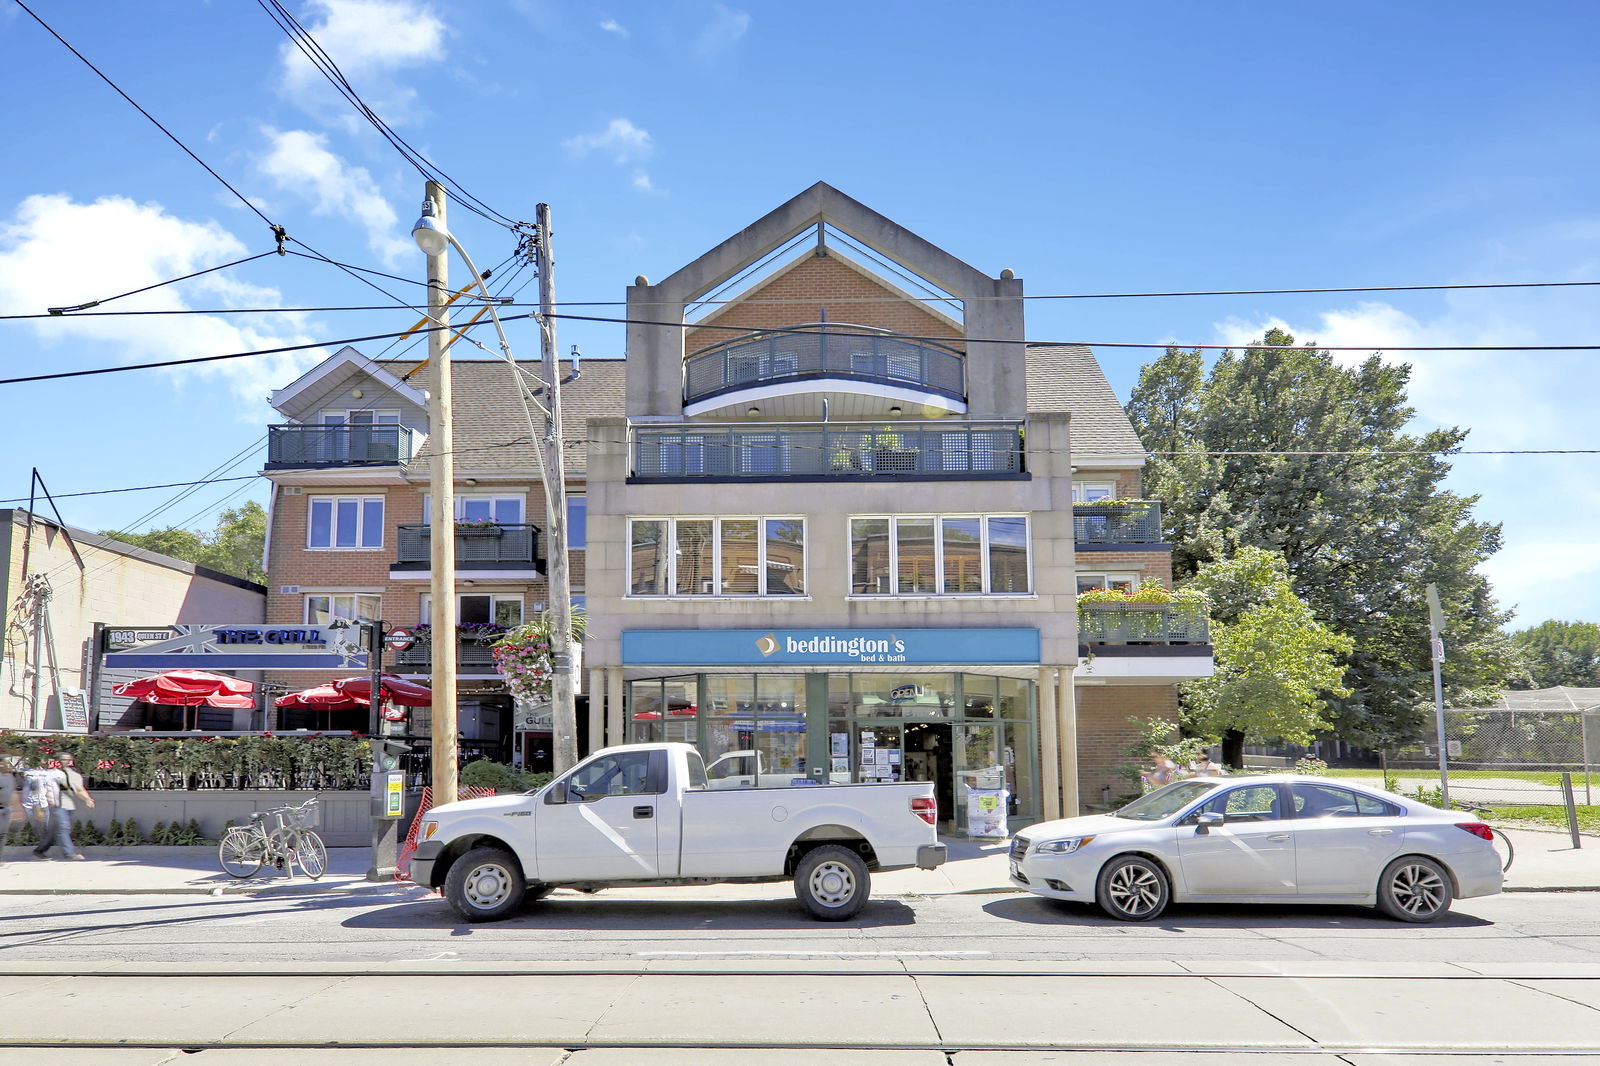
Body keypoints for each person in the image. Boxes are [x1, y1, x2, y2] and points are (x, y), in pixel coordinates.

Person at [32, 753, 92, 861]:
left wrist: (87, 799)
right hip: (57, 805)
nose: (66, 761)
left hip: (69, 805)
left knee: (55, 830)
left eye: (68, 759)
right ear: (58, 760)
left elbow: (80, 789)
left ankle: (39, 851)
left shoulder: (74, 775)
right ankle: (69, 853)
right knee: (64, 828)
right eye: (63, 759)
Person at [0, 752, 20, 864]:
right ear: (1, 764)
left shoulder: (10, 777)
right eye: (8, 762)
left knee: (2, 835)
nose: (10, 764)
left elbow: (13, 793)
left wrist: (17, 809)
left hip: (6, 810)